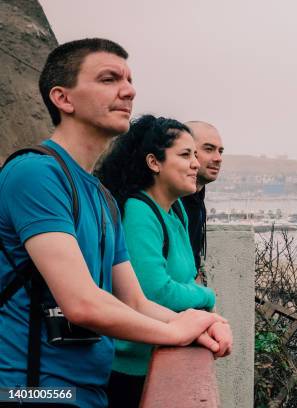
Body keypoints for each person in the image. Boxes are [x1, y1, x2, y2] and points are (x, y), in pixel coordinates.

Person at [0, 38, 230, 408]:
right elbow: (82, 304)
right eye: (109, 79)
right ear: (63, 98)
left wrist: (197, 322)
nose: (129, 90)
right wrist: (174, 331)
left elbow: (135, 300)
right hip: (32, 391)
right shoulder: (36, 173)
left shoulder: (103, 198)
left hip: (89, 391)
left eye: (129, 79)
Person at [96, 115, 224, 407]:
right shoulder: (139, 213)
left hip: (155, 355)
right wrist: (207, 296)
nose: (196, 163)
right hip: (127, 371)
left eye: (195, 155)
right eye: (185, 154)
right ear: (154, 163)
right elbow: (153, 291)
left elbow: (185, 276)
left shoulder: (175, 208)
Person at [181, 121, 224, 276]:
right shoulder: (172, 202)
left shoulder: (197, 198)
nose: (218, 158)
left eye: (220, 151)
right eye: (209, 149)